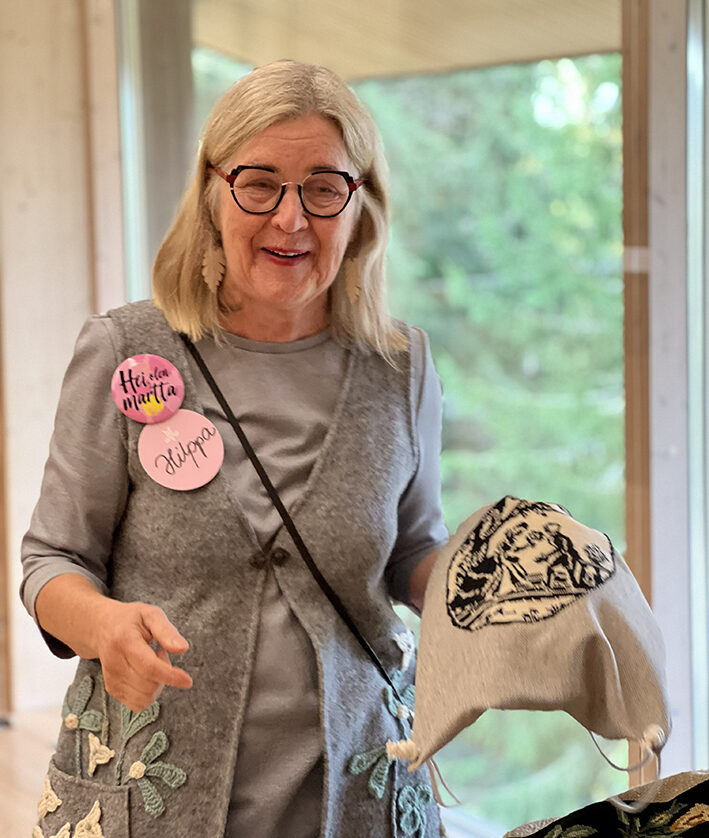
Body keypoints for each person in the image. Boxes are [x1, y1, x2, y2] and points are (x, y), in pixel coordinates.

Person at [21, 59, 448, 838]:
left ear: (361, 205)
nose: (290, 219)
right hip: (149, 799)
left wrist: (492, 588)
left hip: (362, 794)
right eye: (259, 184)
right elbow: (53, 560)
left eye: (323, 188)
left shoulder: (402, 366)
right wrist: (104, 626)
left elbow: (414, 549)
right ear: (214, 192)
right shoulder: (125, 349)